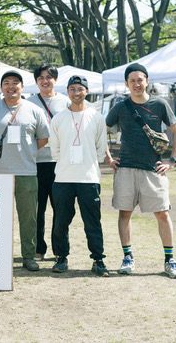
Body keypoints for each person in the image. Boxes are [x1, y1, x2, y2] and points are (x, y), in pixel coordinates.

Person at [105, 63, 176, 279]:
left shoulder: (160, 104)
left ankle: (170, 260)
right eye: (132, 81)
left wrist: (172, 161)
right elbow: (101, 132)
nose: (137, 84)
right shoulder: (120, 107)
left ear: (147, 81)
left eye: (140, 80)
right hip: (126, 168)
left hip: (153, 169)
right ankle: (127, 257)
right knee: (125, 213)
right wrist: (109, 158)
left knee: (162, 213)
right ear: (126, 84)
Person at [0, 70, 49, 272]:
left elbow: (43, 138)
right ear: (1, 88)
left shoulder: (34, 110)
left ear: (22, 87)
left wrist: (27, 151)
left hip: (27, 172)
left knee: (28, 218)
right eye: (6, 83)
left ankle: (28, 257)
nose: (11, 86)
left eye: (15, 82)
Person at [49, 76, 109, 277]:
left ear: (87, 91)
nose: (76, 93)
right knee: (61, 221)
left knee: (92, 221)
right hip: (63, 177)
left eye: (80, 89)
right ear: (67, 92)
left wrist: (89, 162)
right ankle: (61, 257)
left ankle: (98, 259)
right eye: (72, 89)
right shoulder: (58, 118)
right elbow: (55, 150)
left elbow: (101, 149)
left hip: (89, 178)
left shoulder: (97, 117)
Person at [27, 64, 70, 261]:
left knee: (60, 209)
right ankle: (39, 248)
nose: (45, 81)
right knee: (38, 209)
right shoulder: (28, 102)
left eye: (49, 77)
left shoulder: (65, 101)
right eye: (41, 77)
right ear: (36, 81)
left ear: (56, 79)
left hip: (59, 162)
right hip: (36, 162)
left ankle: (60, 250)